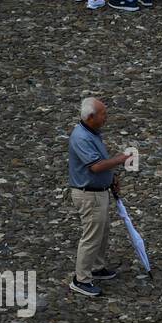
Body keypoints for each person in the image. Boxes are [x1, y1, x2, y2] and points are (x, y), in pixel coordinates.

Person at [68, 97, 132, 297]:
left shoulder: (92, 132)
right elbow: (95, 166)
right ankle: (81, 279)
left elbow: (100, 163)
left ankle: (97, 267)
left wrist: (111, 178)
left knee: (101, 233)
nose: (106, 118)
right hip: (89, 195)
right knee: (91, 236)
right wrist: (121, 159)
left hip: (99, 192)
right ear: (90, 117)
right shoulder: (81, 137)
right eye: (103, 114)